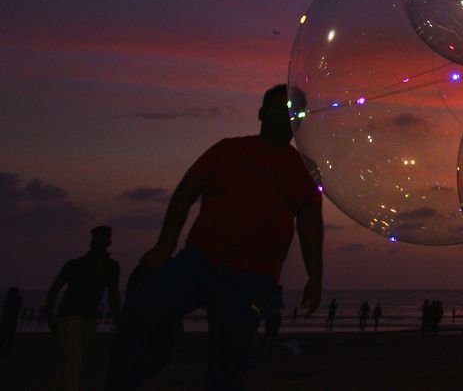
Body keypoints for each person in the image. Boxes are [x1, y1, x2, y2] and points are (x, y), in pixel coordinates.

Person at [104, 84, 323, 390]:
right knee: (141, 310)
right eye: (281, 109)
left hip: (252, 278)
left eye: (296, 112)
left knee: (229, 366)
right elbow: (185, 193)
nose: (289, 117)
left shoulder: (304, 169)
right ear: (261, 114)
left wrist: (315, 276)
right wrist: (164, 247)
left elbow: (311, 224)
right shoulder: (227, 150)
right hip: (199, 261)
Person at [44, 225, 122, 391]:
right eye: (98, 239)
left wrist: (118, 318)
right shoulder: (75, 264)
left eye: (104, 238)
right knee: (74, 360)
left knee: (78, 360)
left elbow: (113, 295)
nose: (100, 242)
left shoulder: (111, 266)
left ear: (109, 242)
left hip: (90, 318)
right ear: (92, 241)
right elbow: (55, 288)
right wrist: (50, 315)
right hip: (70, 315)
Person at [1, 286, 21, 358]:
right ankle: (5, 352)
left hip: (7, 320)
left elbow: (6, 310)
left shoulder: (12, 301)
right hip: (11, 321)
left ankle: (4, 352)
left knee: (4, 337)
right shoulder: (17, 300)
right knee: (8, 337)